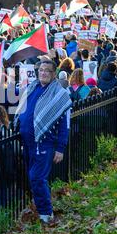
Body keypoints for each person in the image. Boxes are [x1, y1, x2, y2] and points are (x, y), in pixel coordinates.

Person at [15, 60, 71, 223]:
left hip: (44, 143)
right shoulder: (32, 88)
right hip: (28, 143)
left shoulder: (60, 94)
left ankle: (46, 214)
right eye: (41, 70)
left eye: (47, 71)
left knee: (37, 177)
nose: (43, 73)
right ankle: (39, 207)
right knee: (33, 177)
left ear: (54, 74)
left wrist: (60, 148)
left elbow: (64, 124)